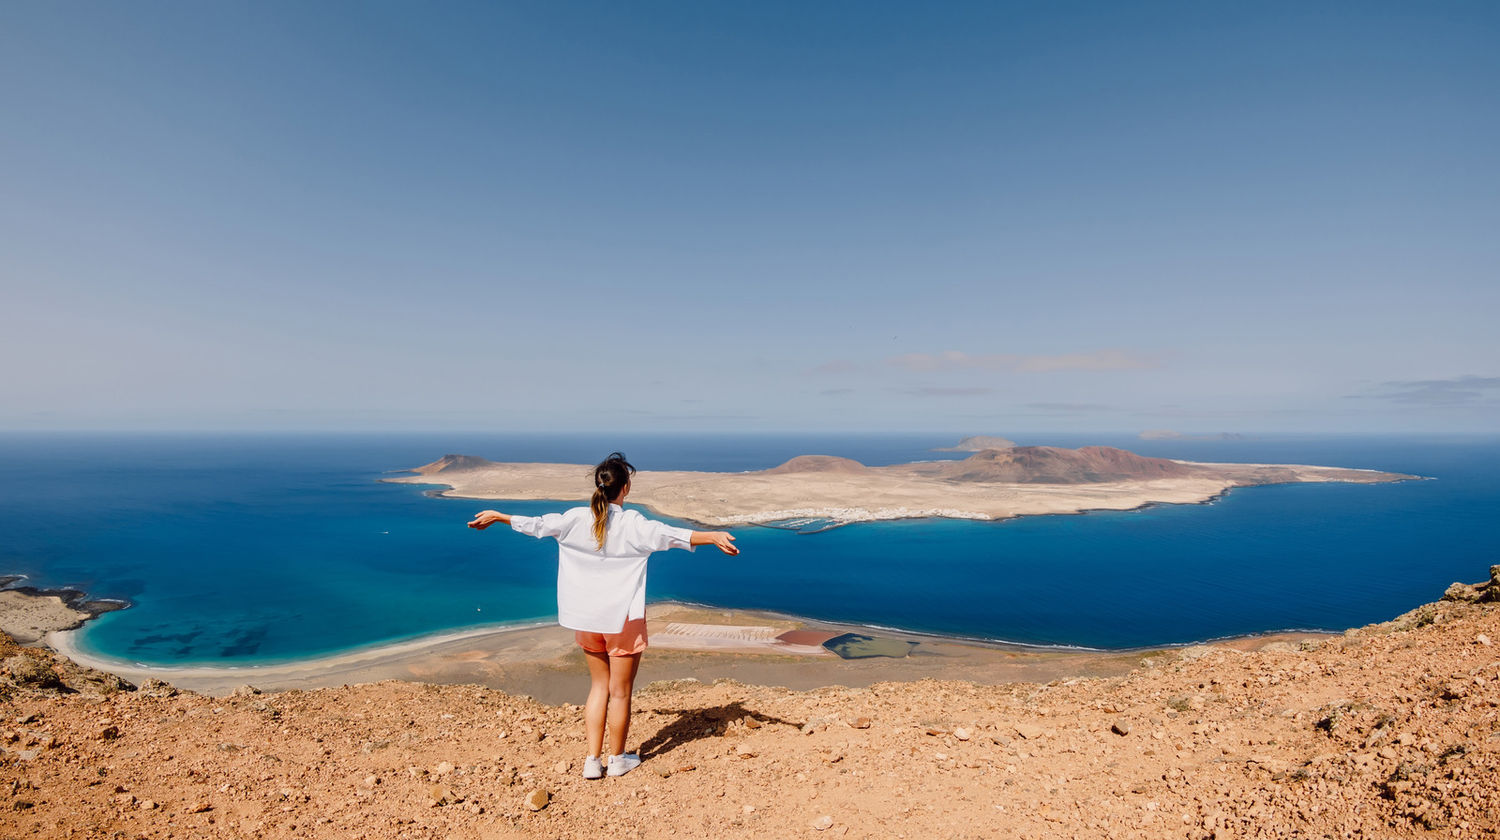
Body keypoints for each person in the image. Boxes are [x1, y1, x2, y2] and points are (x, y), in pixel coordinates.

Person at [467, 452, 738, 779]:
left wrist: (499, 516)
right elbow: (670, 535)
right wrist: (714, 536)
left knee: (599, 687)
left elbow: (537, 525)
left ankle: (592, 762)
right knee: (620, 692)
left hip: (586, 620)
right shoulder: (632, 523)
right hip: (623, 621)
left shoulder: (576, 518)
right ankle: (618, 759)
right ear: (624, 489)